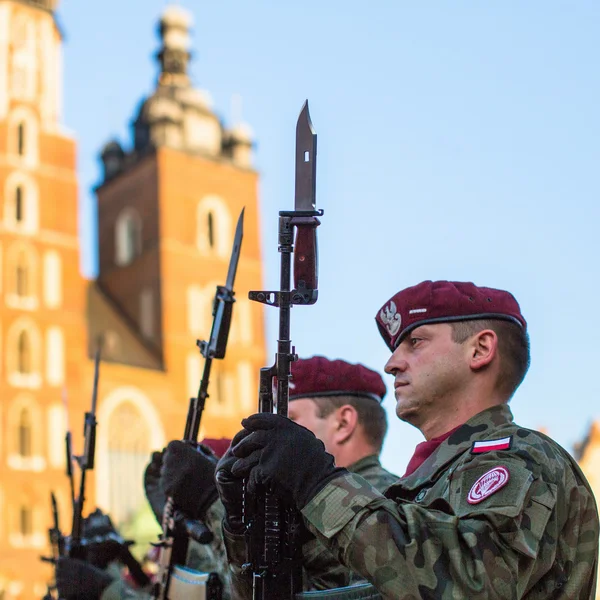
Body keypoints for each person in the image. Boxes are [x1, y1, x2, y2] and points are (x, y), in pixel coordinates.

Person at [220, 280, 600, 599]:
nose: (392, 363)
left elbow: (476, 583)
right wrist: (244, 526)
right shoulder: (418, 484)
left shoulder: (521, 459)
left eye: (415, 342)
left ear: (480, 349)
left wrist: (319, 486)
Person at [154, 356, 397, 598]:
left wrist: (212, 502)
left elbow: (289, 593)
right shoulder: (310, 499)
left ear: (343, 423)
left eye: (291, 420)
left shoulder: (382, 498)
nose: (276, 435)